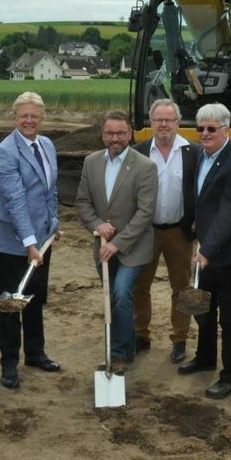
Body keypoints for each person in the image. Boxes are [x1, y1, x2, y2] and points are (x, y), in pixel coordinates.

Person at [177, 103, 231, 399]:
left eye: (212, 128)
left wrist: (207, 249)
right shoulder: (202, 156)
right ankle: (205, 356)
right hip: (206, 251)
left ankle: (230, 375)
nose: (205, 133)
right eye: (200, 128)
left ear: (226, 129)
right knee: (204, 310)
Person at [0, 92, 62, 389]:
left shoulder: (47, 145)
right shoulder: (5, 152)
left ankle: (35, 352)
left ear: (42, 117)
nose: (29, 121)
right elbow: (15, 202)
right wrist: (29, 243)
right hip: (13, 242)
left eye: (35, 116)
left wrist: (53, 224)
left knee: (35, 299)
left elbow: (49, 191)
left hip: (40, 240)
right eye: (23, 116)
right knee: (11, 302)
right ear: (15, 117)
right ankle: (9, 364)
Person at [75, 111, 159, 374]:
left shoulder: (145, 166)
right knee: (112, 297)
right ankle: (128, 345)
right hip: (102, 247)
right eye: (110, 133)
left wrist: (118, 243)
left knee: (122, 293)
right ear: (103, 134)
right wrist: (97, 225)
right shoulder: (90, 162)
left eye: (120, 134)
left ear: (130, 134)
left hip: (134, 247)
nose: (115, 139)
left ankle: (119, 354)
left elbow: (146, 213)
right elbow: (83, 202)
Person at [131, 99, 199, 364]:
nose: (163, 125)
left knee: (182, 288)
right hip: (145, 232)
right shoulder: (138, 152)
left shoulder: (192, 152)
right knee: (140, 286)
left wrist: (197, 221)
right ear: (151, 122)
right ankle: (141, 335)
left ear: (178, 122)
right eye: (158, 120)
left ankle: (180, 339)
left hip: (179, 231)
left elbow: (200, 190)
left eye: (168, 120)